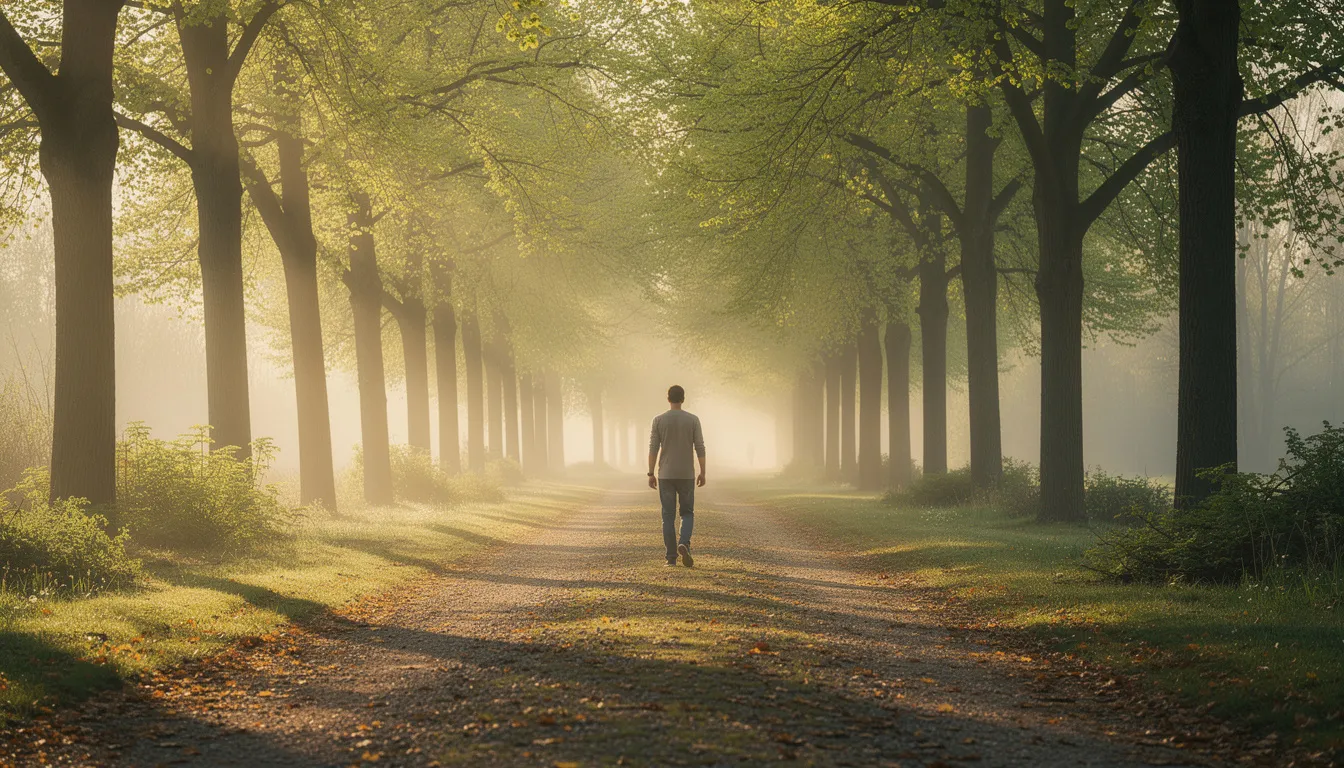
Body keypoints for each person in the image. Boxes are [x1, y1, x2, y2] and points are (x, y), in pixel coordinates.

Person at [647, 385, 706, 567]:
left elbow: (653, 448)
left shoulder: (658, 420)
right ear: (683, 398)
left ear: (668, 399)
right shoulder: (693, 420)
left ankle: (671, 558)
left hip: (665, 474)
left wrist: (650, 473)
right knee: (687, 512)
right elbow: (700, 447)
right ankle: (684, 542)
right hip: (686, 473)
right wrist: (703, 472)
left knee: (668, 516)